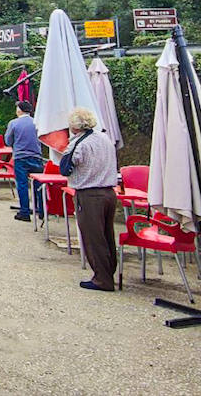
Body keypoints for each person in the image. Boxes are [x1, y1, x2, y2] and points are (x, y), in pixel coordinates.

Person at [59, 106, 118, 291]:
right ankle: (109, 272)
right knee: (107, 235)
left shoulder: (79, 144)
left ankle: (102, 279)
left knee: (93, 238)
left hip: (90, 194)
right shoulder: (104, 138)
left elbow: (65, 167)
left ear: (74, 127)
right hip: (109, 192)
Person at [6, 101, 45, 222]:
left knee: (22, 184)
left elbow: (8, 140)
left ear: (19, 110)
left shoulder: (14, 123)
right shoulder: (37, 122)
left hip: (20, 157)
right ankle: (42, 210)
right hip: (36, 156)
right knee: (39, 185)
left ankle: (25, 211)